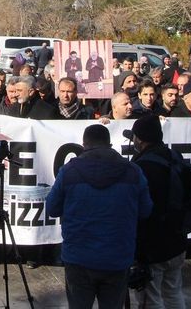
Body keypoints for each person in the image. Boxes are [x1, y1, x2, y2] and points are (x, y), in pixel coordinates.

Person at [46, 124, 153, 309]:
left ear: (84, 144)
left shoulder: (68, 171)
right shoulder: (133, 172)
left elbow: (52, 208)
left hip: (78, 257)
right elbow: (146, 211)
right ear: (109, 144)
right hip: (117, 257)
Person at [129, 115, 191, 309]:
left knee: (150, 297)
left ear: (139, 139)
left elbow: (141, 208)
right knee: (173, 291)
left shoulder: (142, 167)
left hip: (153, 244)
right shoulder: (175, 157)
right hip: (177, 237)